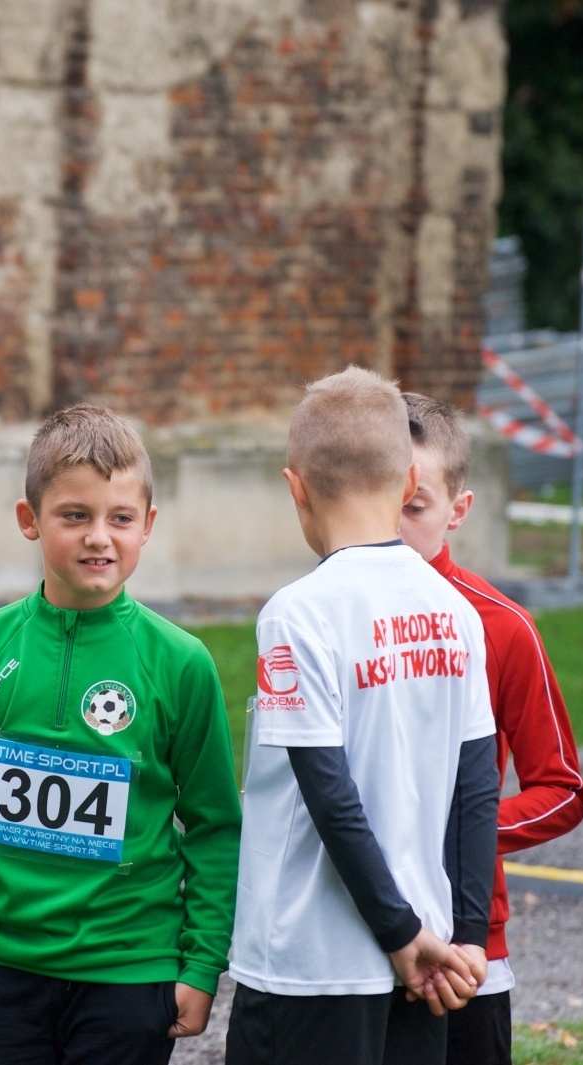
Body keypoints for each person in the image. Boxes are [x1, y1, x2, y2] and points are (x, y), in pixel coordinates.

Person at [0, 404, 242, 1064]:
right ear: (30, 520)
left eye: (119, 518)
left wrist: (201, 962)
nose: (98, 536)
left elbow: (216, 823)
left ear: (148, 526)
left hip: (133, 972)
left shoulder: (180, 662)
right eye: (75, 515)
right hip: (8, 974)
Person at [227, 366, 498, 1065]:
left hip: (310, 960)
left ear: (296, 487)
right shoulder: (456, 612)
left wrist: (396, 931)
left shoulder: (298, 612)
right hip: (428, 959)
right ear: (410, 484)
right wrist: (463, 935)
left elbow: (329, 793)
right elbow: (477, 790)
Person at [400, 393, 583, 1065]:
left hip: (464, 939)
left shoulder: (502, 626)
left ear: (458, 509)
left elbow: (563, 789)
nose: (392, 525)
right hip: (345, 932)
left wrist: (462, 834)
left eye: (414, 506)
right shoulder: (315, 618)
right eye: (378, 500)